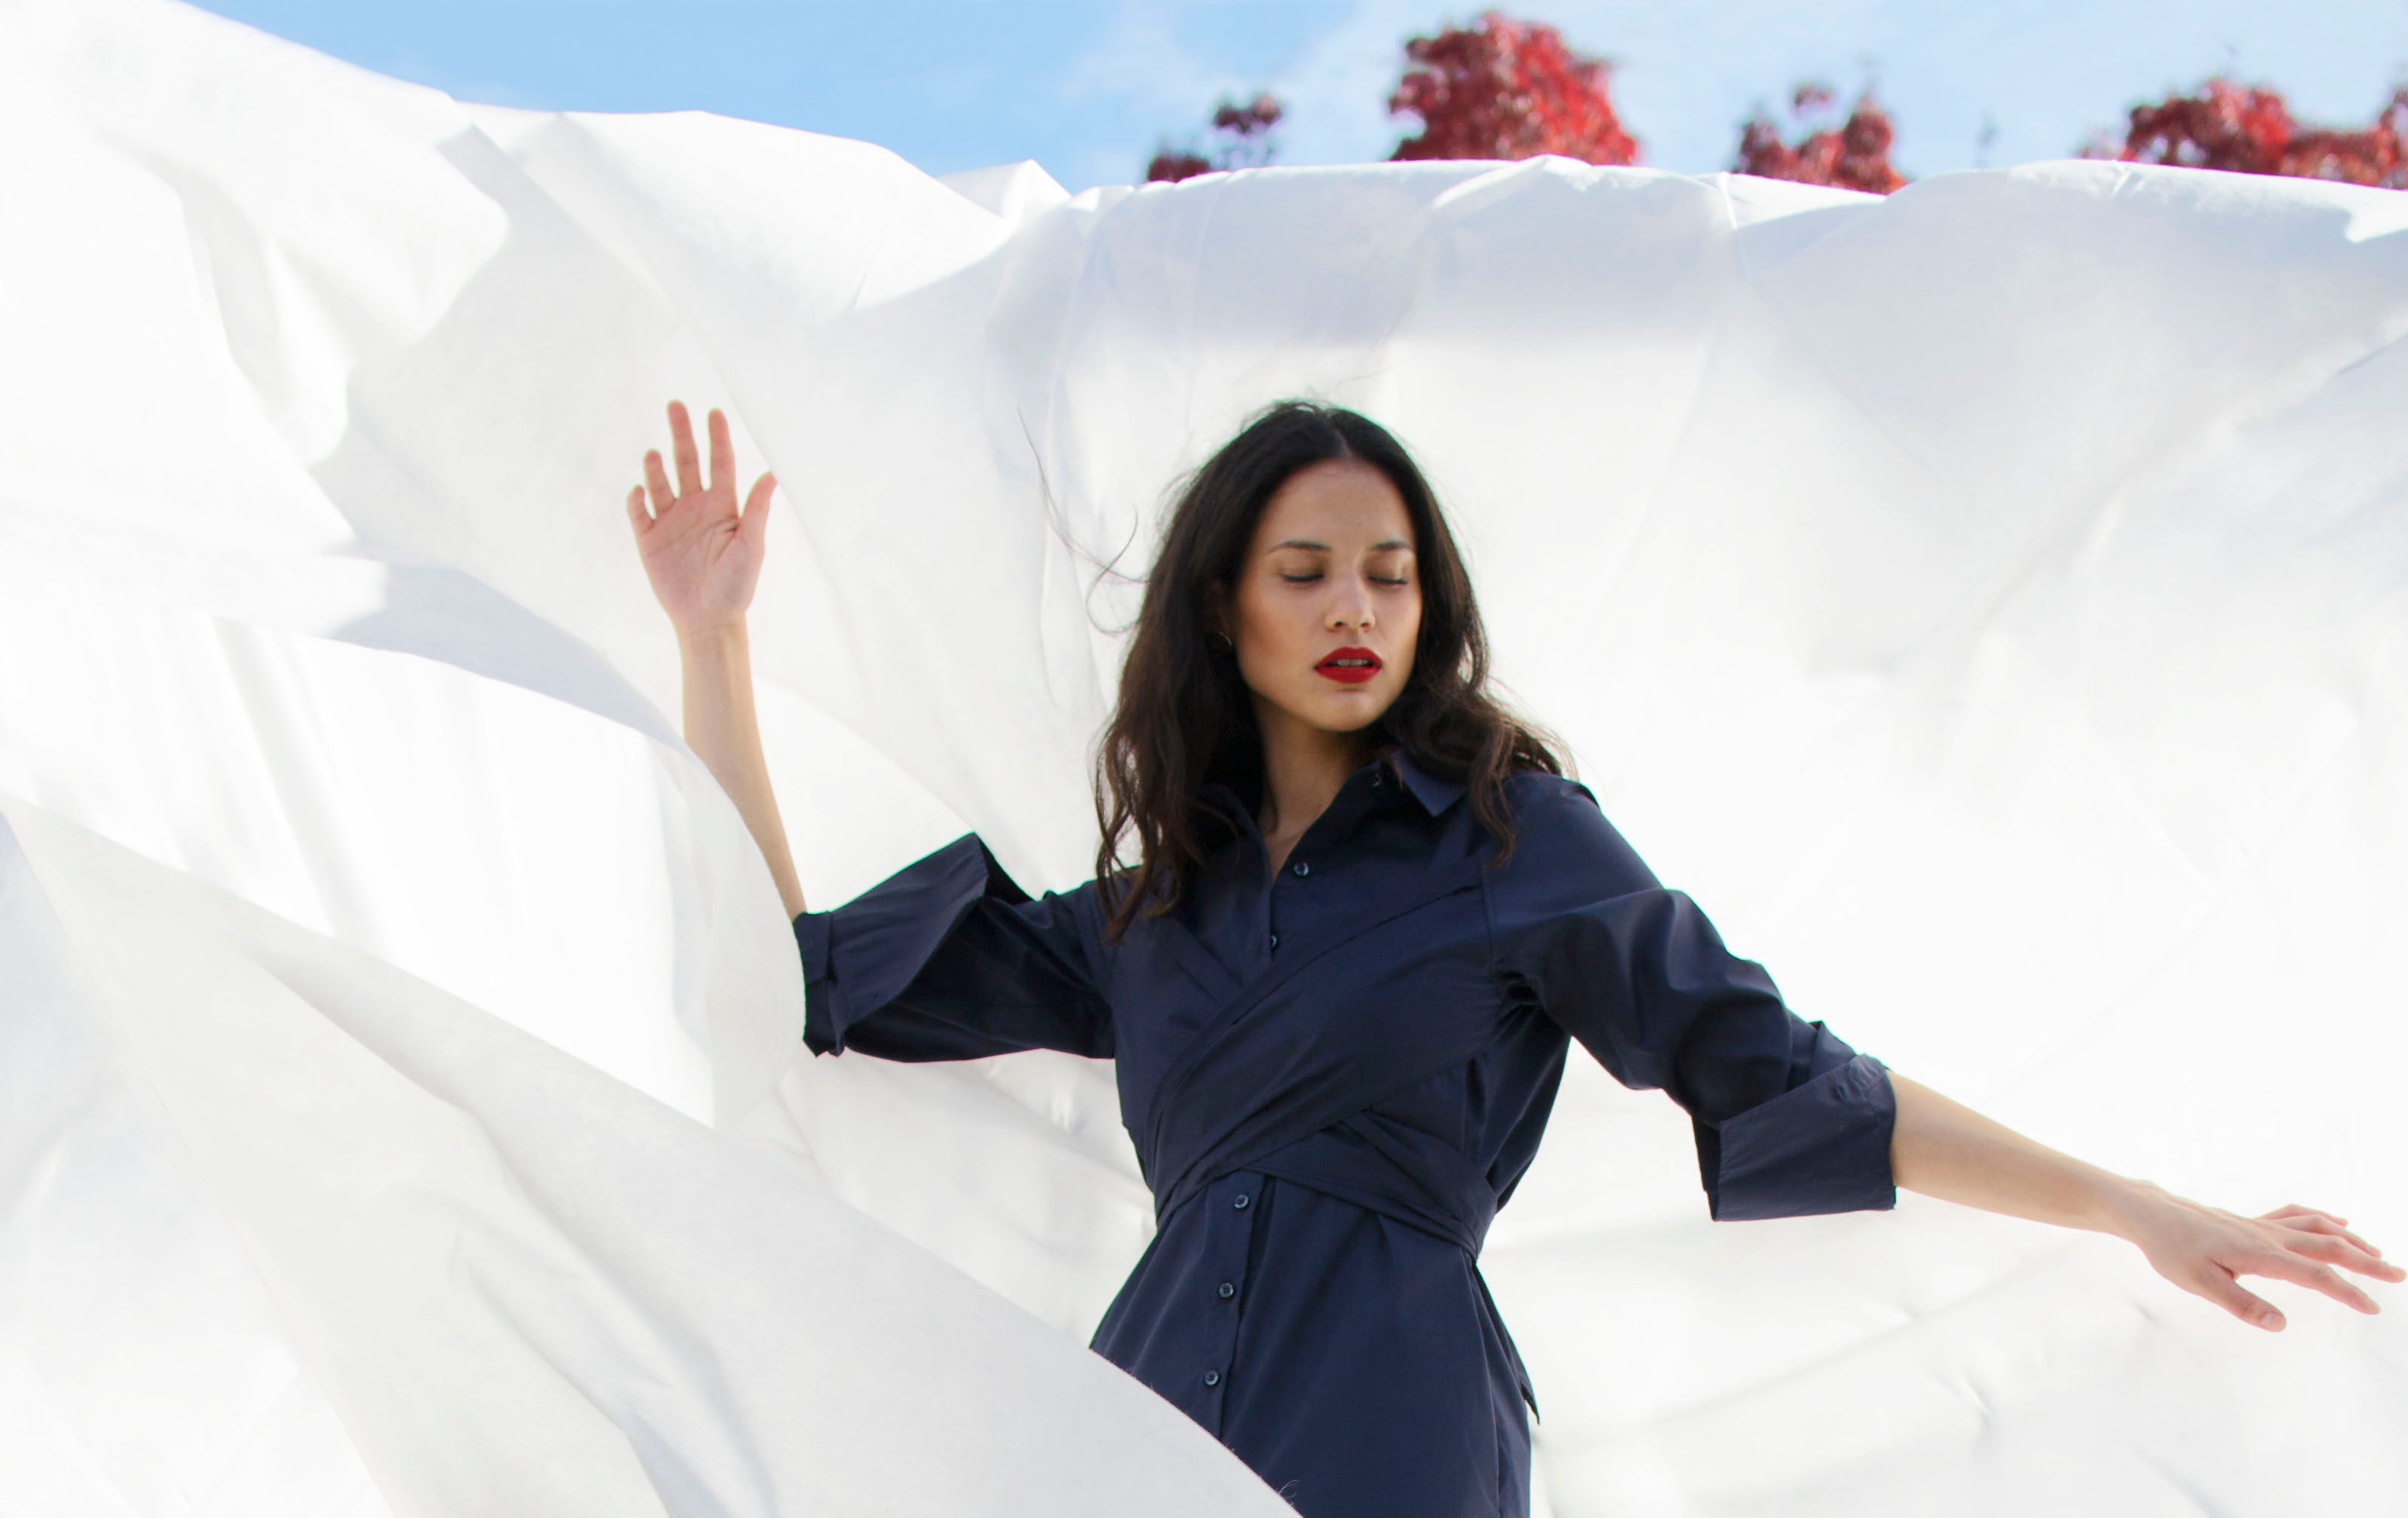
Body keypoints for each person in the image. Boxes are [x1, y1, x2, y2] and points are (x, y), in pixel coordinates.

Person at [625, 396, 2398, 1517]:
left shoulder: (1513, 842)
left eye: (1388, 576)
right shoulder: (1150, 914)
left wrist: (2142, 1205)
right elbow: (794, 974)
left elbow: (1788, 1078)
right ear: (1221, 609)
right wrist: (715, 649)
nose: (1351, 611)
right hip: (1141, 1422)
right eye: (1305, 569)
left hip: (1399, 1428)